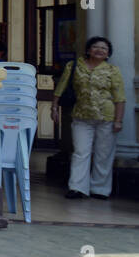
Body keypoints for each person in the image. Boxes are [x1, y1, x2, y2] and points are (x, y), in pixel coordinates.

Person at [53, 36, 125, 199]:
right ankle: (77, 187)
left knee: (103, 154)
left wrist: (118, 120)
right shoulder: (74, 66)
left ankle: (100, 189)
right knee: (80, 152)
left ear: (108, 54)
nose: (99, 50)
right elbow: (61, 87)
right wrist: (54, 106)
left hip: (106, 116)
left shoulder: (112, 70)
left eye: (104, 48)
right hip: (81, 116)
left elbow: (119, 97)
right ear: (88, 50)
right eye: (96, 47)